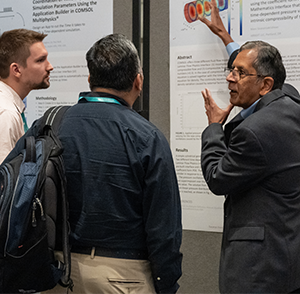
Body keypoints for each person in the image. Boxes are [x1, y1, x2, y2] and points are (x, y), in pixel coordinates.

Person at [5, 33, 182, 294]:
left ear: (90, 80)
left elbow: (9, 185)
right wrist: (166, 283)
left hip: (54, 273)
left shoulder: (50, 123)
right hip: (124, 277)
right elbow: (163, 226)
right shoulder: (147, 137)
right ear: (138, 81)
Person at [199, 3, 300, 293]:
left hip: (259, 271)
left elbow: (217, 178)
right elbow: (263, 67)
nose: (230, 78)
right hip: (287, 256)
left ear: (265, 85)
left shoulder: (256, 131)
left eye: (239, 73)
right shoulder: (290, 100)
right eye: (231, 70)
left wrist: (214, 128)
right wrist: (225, 37)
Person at [0, 28, 53, 163]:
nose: (50, 67)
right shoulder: (6, 113)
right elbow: (4, 180)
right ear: (16, 70)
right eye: (40, 60)